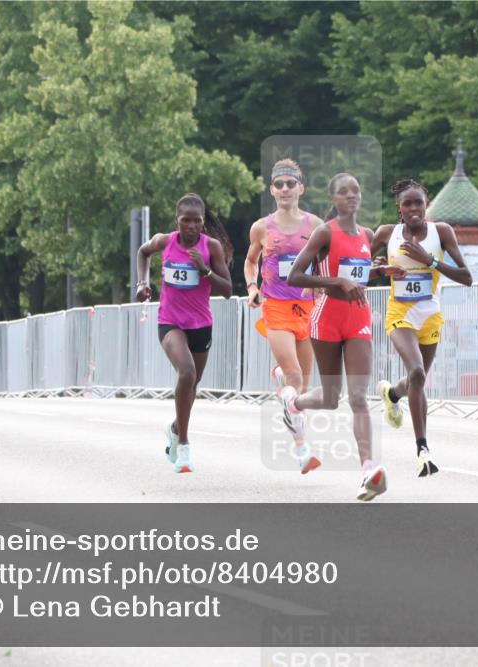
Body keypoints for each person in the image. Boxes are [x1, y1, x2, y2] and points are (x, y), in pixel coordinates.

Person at [285, 173, 387, 501]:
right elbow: (295, 275)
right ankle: (294, 403)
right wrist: (338, 282)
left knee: (358, 396)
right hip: (326, 320)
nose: (351, 196)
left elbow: (358, 274)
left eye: (356, 190)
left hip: (358, 320)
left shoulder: (367, 235)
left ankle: (368, 469)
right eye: (343, 192)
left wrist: (378, 272)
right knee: (330, 399)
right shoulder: (324, 232)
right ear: (333, 199)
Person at [371, 177, 472, 477]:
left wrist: (430, 261)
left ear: (426, 205)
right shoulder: (386, 234)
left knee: (416, 379)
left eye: (419, 202)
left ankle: (392, 395)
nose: (414, 208)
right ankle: (422, 451)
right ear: (399, 209)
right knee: (417, 373)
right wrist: (379, 269)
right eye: (407, 204)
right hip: (399, 314)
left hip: (430, 315)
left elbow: (466, 277)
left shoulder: (441, 232)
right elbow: (358, 272)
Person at [136, 193, 234, 473]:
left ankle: (175, 427)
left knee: (191, 386)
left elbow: (227, 291)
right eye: (185, 221)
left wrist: (203, 270)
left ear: (203, 222)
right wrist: (142, 283)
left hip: (201, 324)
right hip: (170, 322)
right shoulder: (164, 241)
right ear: (177, 220)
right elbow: (143, 252)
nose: (190, 226)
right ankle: (184, 445)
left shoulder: (210, 247)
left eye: (196, 221)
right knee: (187, 373)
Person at [244, 159, 323, 474]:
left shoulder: (316, 225)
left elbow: (325, 263)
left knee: (301, 388)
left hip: (307, 310)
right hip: (275, 306)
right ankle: (302, 450)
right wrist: (252, 287)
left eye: (292, 183)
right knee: (293, 377)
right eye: (280, 184)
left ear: (301, 188)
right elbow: (251, 261)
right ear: (272, 190)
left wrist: (321, 287)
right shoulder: (262, 227)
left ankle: (281, 378)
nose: (286, 189)